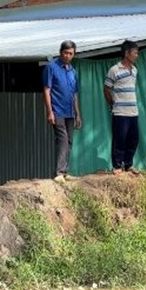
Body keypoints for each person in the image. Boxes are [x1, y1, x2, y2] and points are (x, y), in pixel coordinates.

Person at [43, 40, 81, 183]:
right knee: (63, 139)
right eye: (65, 52)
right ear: (60, 52)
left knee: (69, 141)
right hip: (57, 110)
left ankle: (65, 171)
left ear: (73, 54)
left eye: (70, 53)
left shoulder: (72, 71)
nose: (67, 56)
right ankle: (59, 172)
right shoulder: (51, 67)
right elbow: (47, 90)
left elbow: (75, 94)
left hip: (70, 112)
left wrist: (78, 114)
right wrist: (50, 112)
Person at [103, 41, 140, 175]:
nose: (137, 55)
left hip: (133, 111)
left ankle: (128, 164)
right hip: (120, 112)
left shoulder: (135, 70)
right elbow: (107, 89)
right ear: (126, 53)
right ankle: (117, 166)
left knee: (134, 139)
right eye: (135, 52)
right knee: (120, 139)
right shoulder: (114, 70)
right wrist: (112, 104)